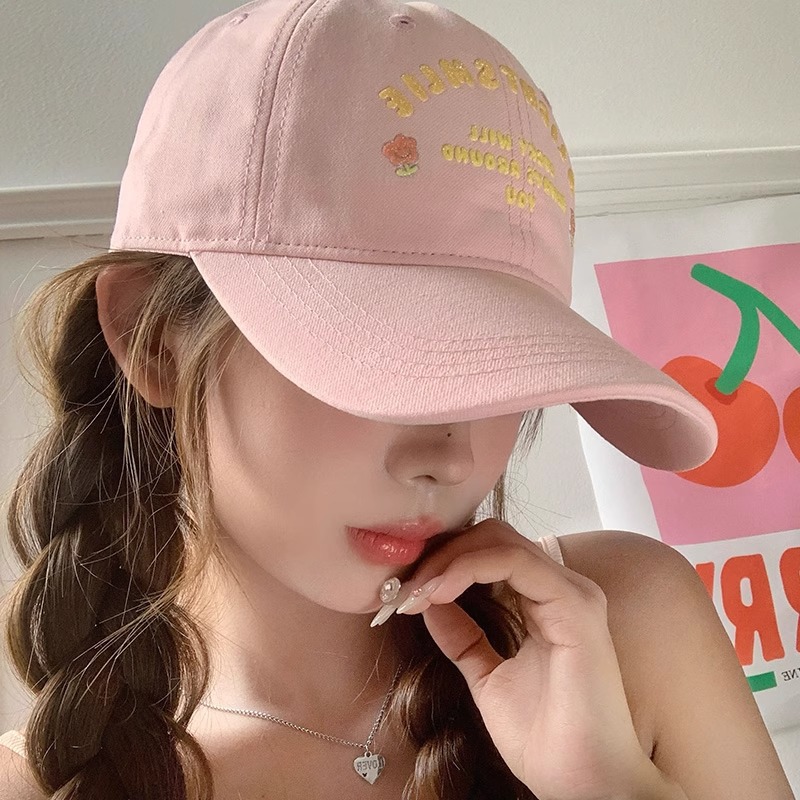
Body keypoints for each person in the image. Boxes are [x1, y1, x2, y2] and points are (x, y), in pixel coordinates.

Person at [0, 1, 794, 799]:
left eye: (500, 372)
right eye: (379, 363)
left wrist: (613, 787)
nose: (448, 456)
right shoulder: (49, 784)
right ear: (153, 339)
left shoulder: (628, 624)